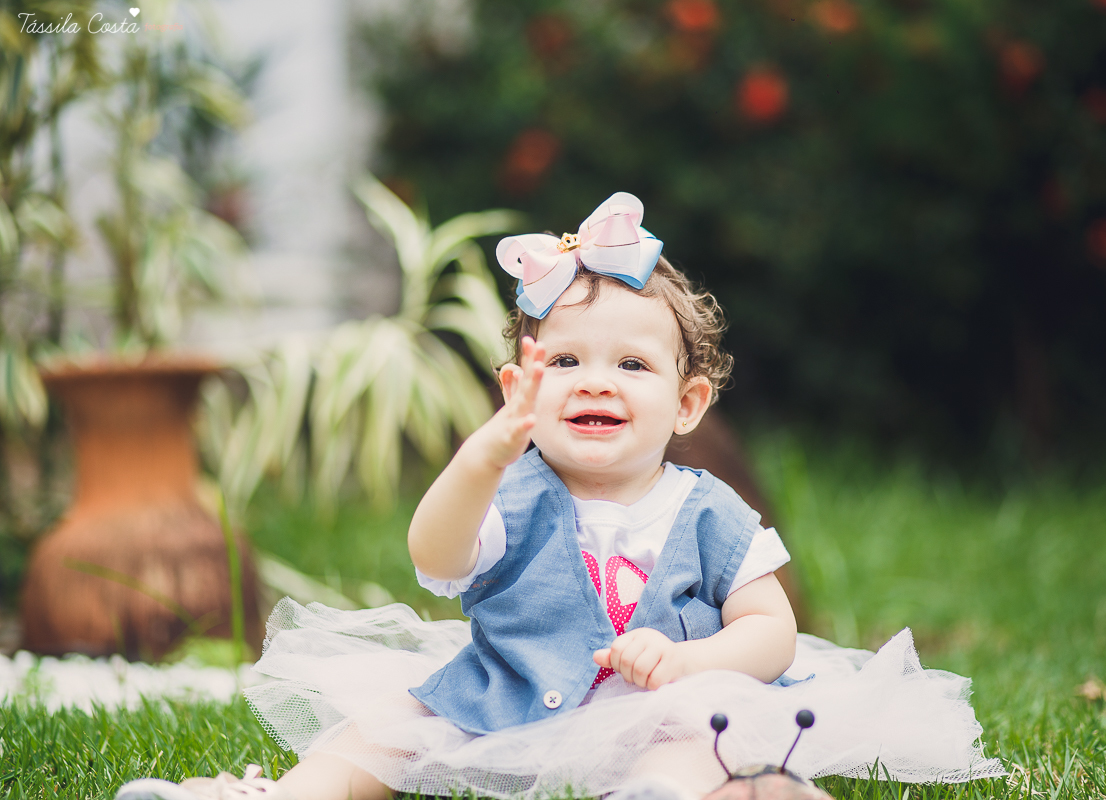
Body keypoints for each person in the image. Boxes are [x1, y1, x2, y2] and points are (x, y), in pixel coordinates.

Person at [118, 193, 1004, 800]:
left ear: (687, 403)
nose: (596, 382)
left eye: (632, 365)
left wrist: (689, 664)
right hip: (505, 695)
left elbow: (770, 631)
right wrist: (479, 460)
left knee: (699, 751)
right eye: (566, 362)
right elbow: (434, 560)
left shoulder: (709, 510)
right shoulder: (510, 489)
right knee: (384, 727)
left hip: (665, 707)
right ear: (520, 387)